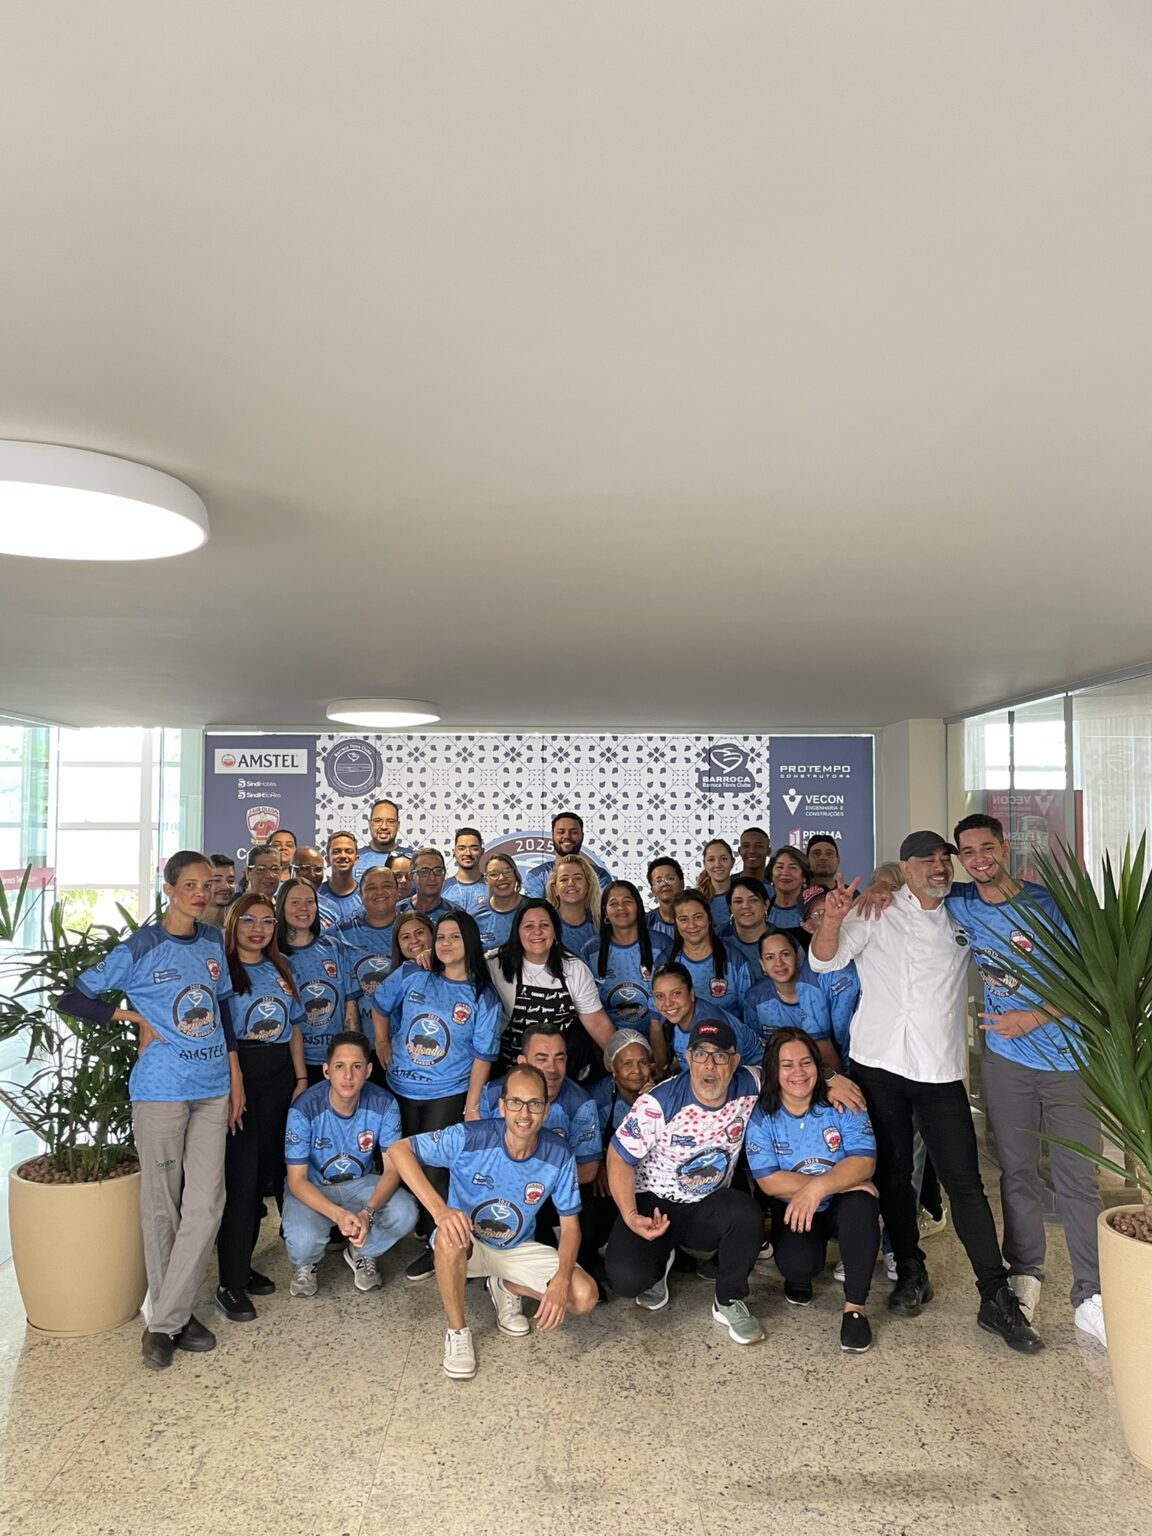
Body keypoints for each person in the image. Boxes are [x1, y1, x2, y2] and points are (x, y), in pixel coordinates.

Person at [809, 833, 1044, 1353]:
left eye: (944, 859)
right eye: (927, 861)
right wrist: (833, 917)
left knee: (965, 1183)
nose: (939, 867)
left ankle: (994, 1293)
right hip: (879, 1064)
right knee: (893, 1175)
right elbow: (825, 961)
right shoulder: (875, 909)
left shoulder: (964, 910)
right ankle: (911, 1269)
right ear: (907, 868)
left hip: (939, 1069)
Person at [58, 850, 243, 1370]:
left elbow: (222, 1011)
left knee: (207, 1204)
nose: (200, 894)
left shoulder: (212, 940)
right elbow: (73, 998)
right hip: (161, 1090)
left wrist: (234, 1078)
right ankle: (169, 1324)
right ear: (170, 889)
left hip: (212, 1090)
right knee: (163, 1206)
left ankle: (165, 1318)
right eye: (190, 885)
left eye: (207, 885)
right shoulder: (142, 946)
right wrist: (131, 1017)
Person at [950, 813, 1106, 1347]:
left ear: (1005, 847)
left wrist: (1033, 1018)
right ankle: (1026, 1276)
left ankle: (1091, 1296)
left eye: (986, 847)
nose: (979, 859)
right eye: (968, 852)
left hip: (1067, 1062)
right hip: (1005, 1064)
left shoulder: (1048, 904)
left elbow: (1091, 979)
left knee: (1076, 1180)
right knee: (1016, 1175)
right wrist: (882, 885)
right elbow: (908, 886)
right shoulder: (960, 902)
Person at [387, 1061, 599, 1380]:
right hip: (468, 1244)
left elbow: (570, 1228)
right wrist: (440, 1211)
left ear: (545, 1109)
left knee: (584, 1297)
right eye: (515, 1102)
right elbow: (399, 1150)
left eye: (534, 1103)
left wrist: (561, 1280)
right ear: (501, 1106)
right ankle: (457, 1333)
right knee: (447, 1237)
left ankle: (505, 1285)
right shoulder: (471, 1137)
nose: (524, 1113)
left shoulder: (559, 1154)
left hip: (516, 1246)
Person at [603, 1018, 765, 1343]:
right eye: (701, 1054)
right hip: (654, 1203)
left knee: (746, 1213)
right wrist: (631, 1215)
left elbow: (793, 1072)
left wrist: (832, 1079)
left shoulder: (751, 1084)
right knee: (626, 1279)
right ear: (688, 1058)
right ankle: (661, 1260)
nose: (710, 1065)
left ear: (735, 1061)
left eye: (720, 1056)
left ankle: (729, 1300)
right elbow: (618, 1156)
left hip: (706, 1204)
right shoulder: (658, 1103)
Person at [372, 911, 503, 1282]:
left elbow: (482, 1056)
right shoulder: (413, 973)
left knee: (434, 1171)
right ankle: (413, 1227)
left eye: (455, 937)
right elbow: (380, 1005)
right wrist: (381, 1041)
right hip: (399, 1089)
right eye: (441, 937)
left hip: (446, 1093)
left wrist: (472, 1106)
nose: (445, 944)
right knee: (398, 1164)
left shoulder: (483, 995)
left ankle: (438, 1245)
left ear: (470, 942)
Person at [746, 1028, 880, 1352]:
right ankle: (801, 1272)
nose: (798, 1072)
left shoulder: (842, 1102)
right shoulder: (762, 1115)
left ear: (817, 1067)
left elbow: (864, 1162)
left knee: (862, 1206)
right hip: (794, 1206)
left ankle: (855, 1308)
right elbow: (769, 1180)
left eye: (806, 1063)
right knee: (798, 1266)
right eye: (787, 1065)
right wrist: (825, 1186)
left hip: (841, 1202)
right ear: (774, 1070)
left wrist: (819, 1187)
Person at [215, 890, 307, 1323]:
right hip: (240, 1080)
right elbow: (219, 1036)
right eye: (249, 920)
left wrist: (301, 1080)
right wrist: (234, 1086)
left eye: (267, 921)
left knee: (268, 1176)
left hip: (279, 1079)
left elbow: (294, 1028)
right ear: (233, 923)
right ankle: (228, 1282)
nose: (258, 929)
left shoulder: (280, 966)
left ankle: (242, 1267)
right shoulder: (221, 969)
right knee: (242, 1181)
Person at [282, 1032, 419, 1296]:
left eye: (356, 1066)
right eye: (339, 1066)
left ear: (368, 1071)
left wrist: (367, 1213)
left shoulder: (384, 1103)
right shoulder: (304, 1107)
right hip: (314, 1186)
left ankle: (362, 1251)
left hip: (361, 1183)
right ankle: (306, 1263)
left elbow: (392, 1170)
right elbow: (296, 1180)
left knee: (406, 1212)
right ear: (326, 1071)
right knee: (302, 1242)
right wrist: (339, 1215)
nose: (348, 1076)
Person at [488, 899, 614, 1080]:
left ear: (555, 931)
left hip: (562, 1074)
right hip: (511, 1071)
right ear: (517, 932)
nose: (537, 932)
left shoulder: (574, 968)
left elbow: (597, 1022)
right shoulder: (496, 966)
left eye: (544, 925)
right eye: (528, 926)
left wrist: (621, 1060)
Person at [479, 1023, 601, 1183]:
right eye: (542, 1059)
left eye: (559, 1059)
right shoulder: (492, 1094)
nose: (552, 1069)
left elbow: (587, 1170)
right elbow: (478, 1154)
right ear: (523, 1062)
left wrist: (531, 1181)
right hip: (496, 1183)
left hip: (549, 1191)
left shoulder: (581, 1104)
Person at [276, 877, 358, 1085]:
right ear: (281, 907)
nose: (303, 908)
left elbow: (349, 1004)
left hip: (333, 1060)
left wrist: (349, 1054)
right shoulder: (273, 954)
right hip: (290, 1063)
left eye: (310, 902)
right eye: (295, 902)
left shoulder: (334, 947)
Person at [583, 879, 670, 1071]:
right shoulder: (591, 951)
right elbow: (590, 1010)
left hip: (660, 1040)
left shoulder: (661, 945)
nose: (621, 908)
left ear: (638, 906)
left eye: (627, 901)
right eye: (613, 903)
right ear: (605, 911)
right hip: (608, 1046)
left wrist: (660, 1060)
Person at [744, 929, 838, 1068]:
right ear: (762, 964)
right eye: (770, 957)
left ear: (797, 956)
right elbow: (756, 1048)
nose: (779, 963)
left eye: (785, 954)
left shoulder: (818, 987)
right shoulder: (755, 998)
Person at [666, 890, 753, 1028]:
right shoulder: (666, 961)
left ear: (709, 918)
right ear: (675, 923)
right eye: (683, 919)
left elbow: (750, 1017)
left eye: (698, 917)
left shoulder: (735, 960)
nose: (692, 925)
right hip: (681, 1040)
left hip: (727, 1038)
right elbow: (658, 1018)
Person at [652, 961, 762, 1068]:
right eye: (660, 996)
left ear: (691, 993)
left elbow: (720, 1075)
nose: (668, 1003)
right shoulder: (673, 1017)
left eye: (676, 993)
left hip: (751, 1072)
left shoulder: (712, 1023)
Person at [798, 889, 861, 1067]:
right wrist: (842, 1079)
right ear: (808, 927)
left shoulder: (868, 942)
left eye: (832, 906)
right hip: (854, 1066)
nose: (830, 915)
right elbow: (820, 1040)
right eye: (819, 913)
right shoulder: (810, 977)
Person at [338, 866, 400, 1039]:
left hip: (402, 1042)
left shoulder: (412, 930)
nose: (379, 892)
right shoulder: (342, 931)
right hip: (359, 1040)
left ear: (397, 892)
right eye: (371, 887)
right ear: (360, 895)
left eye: (387, 885)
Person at [523, 812, 612, 897]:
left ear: (582, 836)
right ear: (552, 836)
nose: (567, 836)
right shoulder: (537, 876)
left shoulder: (600, 876)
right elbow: (535, 907)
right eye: (561, 832)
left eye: (574, 832)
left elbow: (599, 906)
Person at [545, 853, 601, 955]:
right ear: (555, 889)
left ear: (588, 886)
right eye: (564, 879)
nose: (571, 883)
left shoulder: (602, 926)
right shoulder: (545, 925)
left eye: (578, 878)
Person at [473, 853, 523, 951]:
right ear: (486, 880)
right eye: (493, 874)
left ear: (516, 875)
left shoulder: (533, 910)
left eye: (507, 872)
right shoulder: (475, 916)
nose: (502, 878)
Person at [396, 846, 459, 923]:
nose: (432, 877)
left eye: (438, 871)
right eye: (424, 872)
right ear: (412, 877)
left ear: (444, 875)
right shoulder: (397, 911)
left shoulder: (456, 915)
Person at [354, 798, 411, 880]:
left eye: (390, 821)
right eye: (377, 821)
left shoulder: (414, 860)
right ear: (370, 824)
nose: (384, 827)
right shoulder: (354, 859)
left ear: (398, 826)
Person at [723, 875, 772, 970]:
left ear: (766, 904)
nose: (745, 906)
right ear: (730, 907)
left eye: (753, 900)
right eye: (738, 901)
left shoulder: (784, 940)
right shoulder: (716, 938)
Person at [317, 831, 363, 929]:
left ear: (356, 859)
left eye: (349, 851)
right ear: (327, 859)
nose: (343, 856)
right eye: (336, 851)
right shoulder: (316, 895)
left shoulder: (366, 896)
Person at [442, 827, 489, 915]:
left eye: (474, 848)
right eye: (462, 848)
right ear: (454, 852)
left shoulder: (492, 887)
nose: (468, 853)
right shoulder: (442, 888)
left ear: (482, 851)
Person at [765, 849, 812, 929]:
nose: (785, 873)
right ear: (771, 875)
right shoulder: (762, 910)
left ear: (804, 877)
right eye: (780, 867)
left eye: (792, 868)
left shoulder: (813, 911)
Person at [697, 838, 736, 929]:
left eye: (723, 859)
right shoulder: (697, 899)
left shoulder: (745, 895)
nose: (717, 864)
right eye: (711, 860)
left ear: (732, 862)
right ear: (704, 864)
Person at [645, 856, 685, 942]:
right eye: (658, 881)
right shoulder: (645, 923)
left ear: (682, 884)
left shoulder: (696, 919)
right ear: (652, 890)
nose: (664, 884)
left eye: (670, 879)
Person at [203, 854, 237, 927]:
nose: (226, 886)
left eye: (231, 881)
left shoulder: (237, 926)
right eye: (216, 880)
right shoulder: (187, 927)